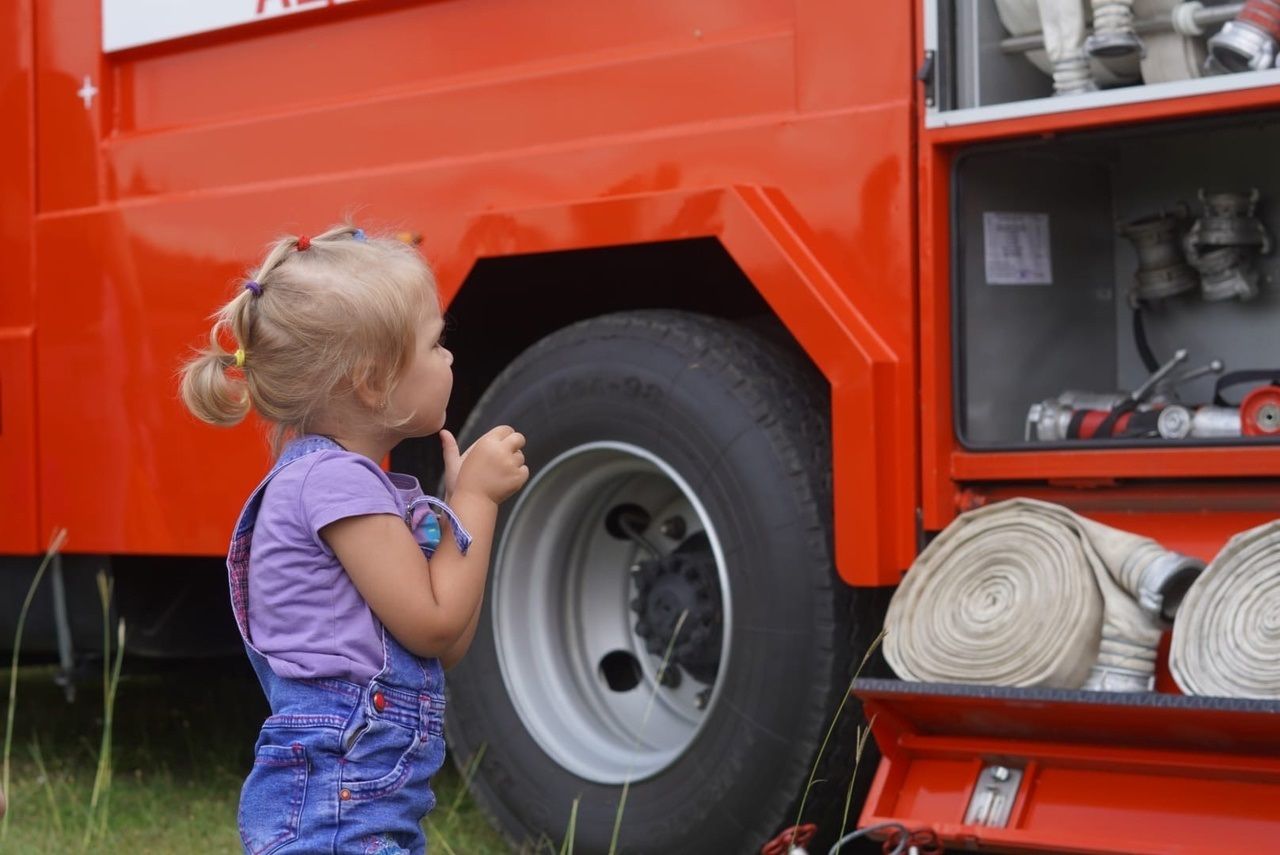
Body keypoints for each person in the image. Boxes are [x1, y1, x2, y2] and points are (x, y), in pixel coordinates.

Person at [179, 224, 527, 855]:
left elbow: (439, 648)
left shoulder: (349, 484)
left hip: (356, 792)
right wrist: (474, 501)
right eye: (434, 343)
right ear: (371, 382)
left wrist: (458, 514)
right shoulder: (334, 484)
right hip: (337, 794)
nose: (449, 357)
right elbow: (434, 624)